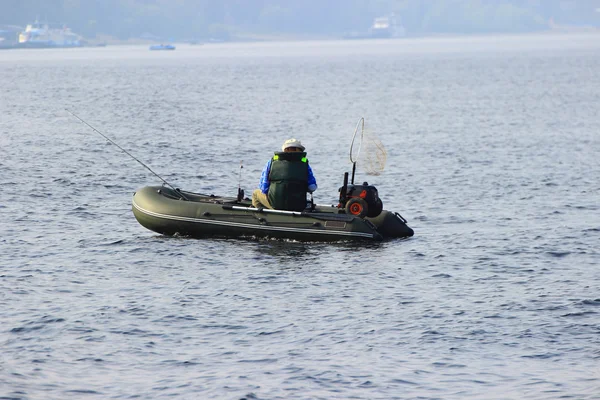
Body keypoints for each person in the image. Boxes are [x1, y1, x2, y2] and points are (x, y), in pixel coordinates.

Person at [252, 138, 317, 211]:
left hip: (275, 204)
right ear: (300, 150)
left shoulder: (272, 162)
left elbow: (263, 188)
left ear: (284, 150)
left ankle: (266, 215)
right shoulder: (305, 164)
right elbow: (312, 188)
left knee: (255, 194)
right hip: (298, 206)